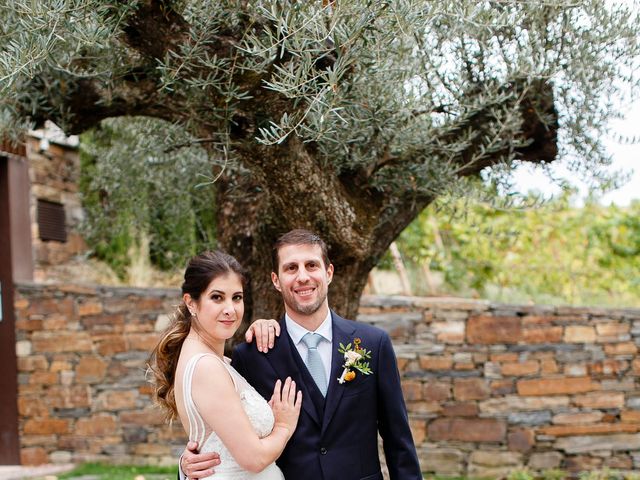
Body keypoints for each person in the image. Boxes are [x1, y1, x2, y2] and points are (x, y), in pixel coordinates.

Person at [181, 230, 422, 480]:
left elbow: (398, 440)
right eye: (291, 268)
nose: (303, 277)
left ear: (328, 273)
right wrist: (186, 466)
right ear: (276, 280)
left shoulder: (374, 344)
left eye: (311, 265)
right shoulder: (251, 356)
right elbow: (226, 433)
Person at [149, 250, 302, 480]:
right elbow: (254, 458)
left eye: (237, 297)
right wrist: (283, 426)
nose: (230, 309)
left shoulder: (216, 361)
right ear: (191, 303)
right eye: (217, 297)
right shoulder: (206, 367)